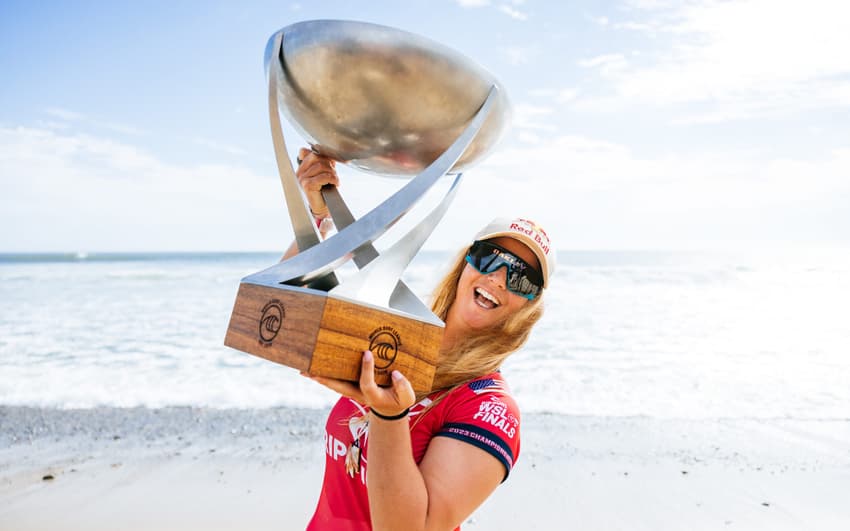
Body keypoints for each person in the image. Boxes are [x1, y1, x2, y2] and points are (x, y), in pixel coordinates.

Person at [290, 148, 556, 531]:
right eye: (489, 257)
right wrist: (318, 215)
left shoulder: (489, 408)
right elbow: (288, 316)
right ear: (467, 262)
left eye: (521, 278)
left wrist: (389, 415)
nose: (498, 278)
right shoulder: (398, 339)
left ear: (529, 306)